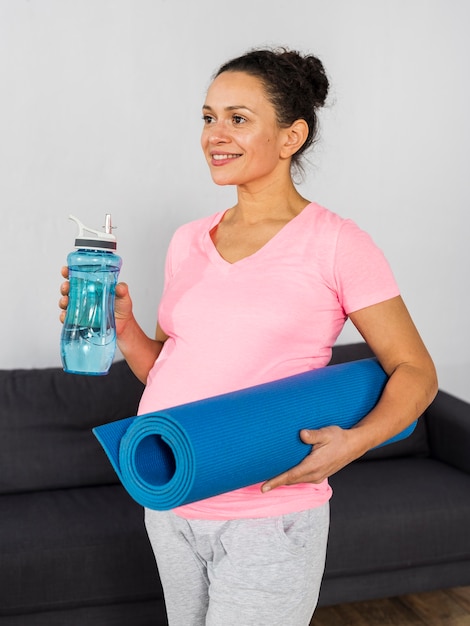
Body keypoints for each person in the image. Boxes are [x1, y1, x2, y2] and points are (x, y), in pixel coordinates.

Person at [59, 47, 438, 626]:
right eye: (208, 117)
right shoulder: (189, 239)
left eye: (239, 118)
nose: (215, 134)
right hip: (172, 500)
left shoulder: (337, 243)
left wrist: (355, 442)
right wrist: (124, 327)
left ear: (291, 136)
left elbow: (416, 371)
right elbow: (170, 367)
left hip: (269, 513)